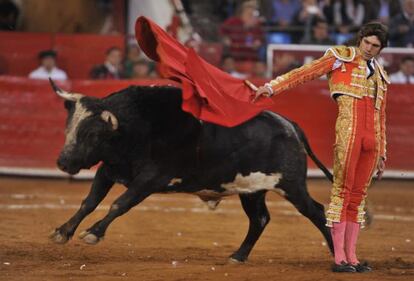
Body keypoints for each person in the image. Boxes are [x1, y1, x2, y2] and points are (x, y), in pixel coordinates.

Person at [254, 22, 389, 273]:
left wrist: (382, 152)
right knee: (343, 192)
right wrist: (272, 87)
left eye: (375, 46)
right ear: (360, 40)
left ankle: (352, 257)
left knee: (358, 197)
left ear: (381, 49)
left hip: (372, 140)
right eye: (367, 43)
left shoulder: (381, 75)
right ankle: (339, 258)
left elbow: (381, 116)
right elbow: (304, 72)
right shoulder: (340, 58)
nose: (369, 48)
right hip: (349, 132)